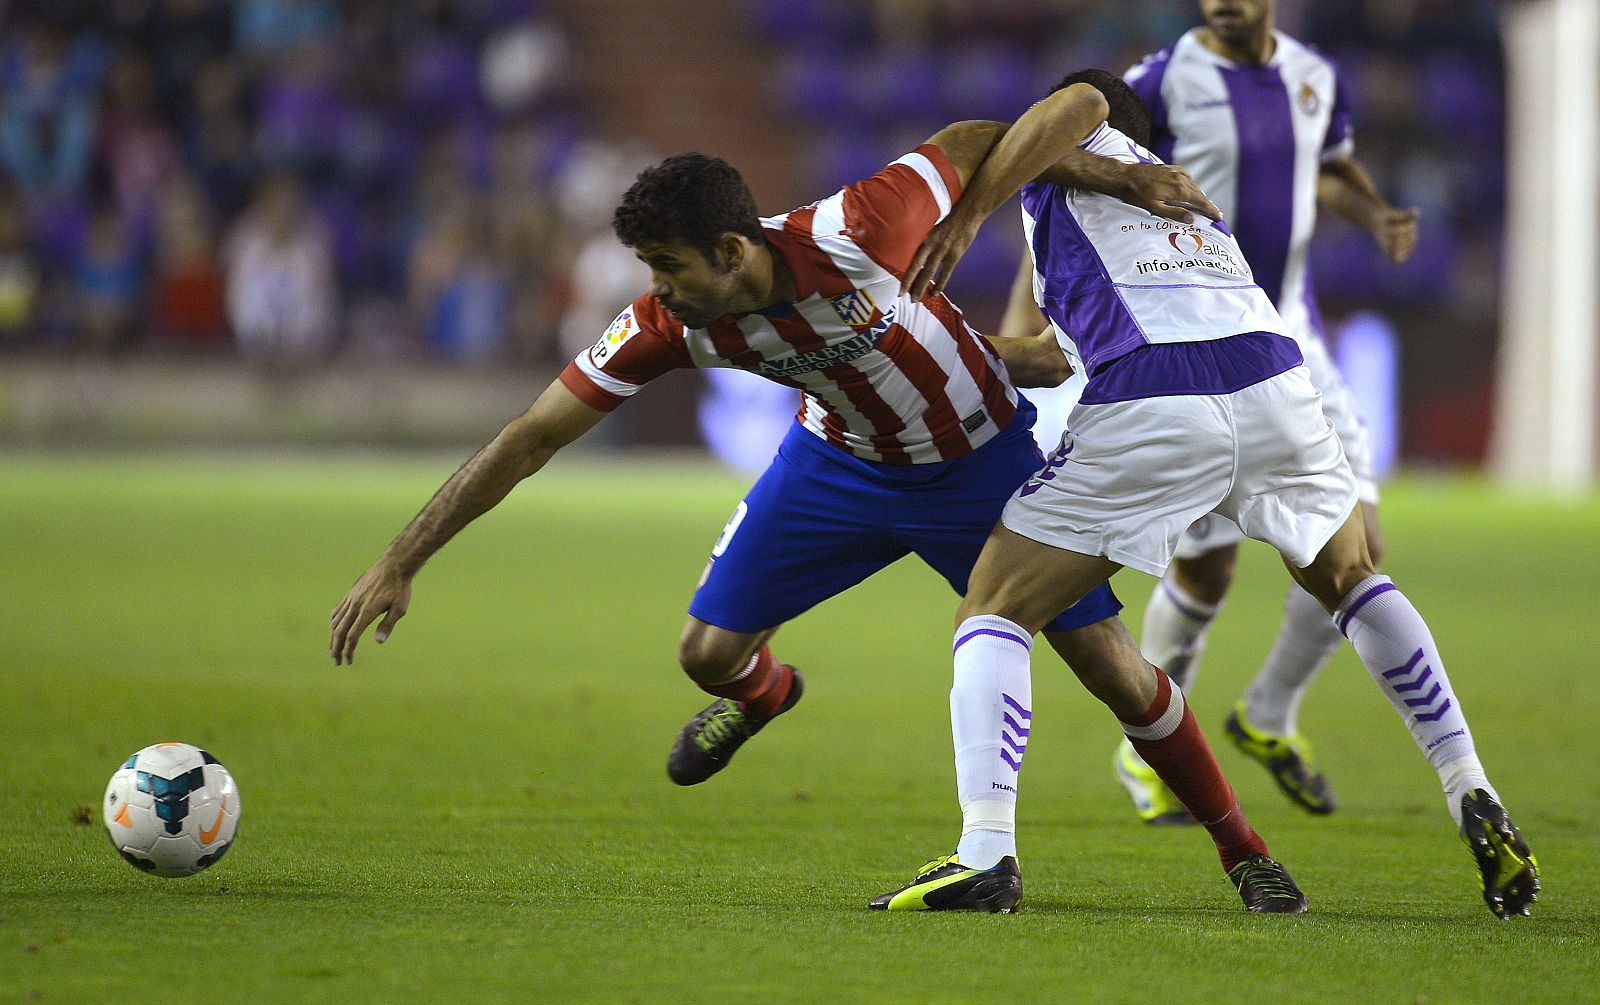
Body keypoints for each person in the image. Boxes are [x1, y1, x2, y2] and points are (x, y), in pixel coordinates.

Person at [329, 122, 1302, 915]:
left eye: (669, 265)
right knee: (704, 654)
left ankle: (1242, 851)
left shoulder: (858, 227)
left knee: (1113, 671)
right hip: (835, 465)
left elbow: (970, 141)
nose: (658, 287)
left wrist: (1109, 178)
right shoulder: (671, 324)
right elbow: (529, 436)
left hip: (978, 463)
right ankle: (764, 694)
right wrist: (400, 557)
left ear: (732, 249)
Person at [886, 68, 1536, 920]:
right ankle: (1468, 782)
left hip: (1160, 393)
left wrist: (966, 218)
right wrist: (917, 340)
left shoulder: (1085, 130)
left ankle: (985, 852)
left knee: (996, 606)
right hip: (1274, 386)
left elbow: (1077, 104)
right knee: (1352, 577)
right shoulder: (1181, 204)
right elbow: (1046, 358)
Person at [1085, 0, 1475, 835]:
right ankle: (1144, 743)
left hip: (1294, 334)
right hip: (1203, 336)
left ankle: (1267, 712)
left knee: (1362, 545)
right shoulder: (1161, 82)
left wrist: (1373, 212)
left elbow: (1324, 167)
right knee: (1206, 573)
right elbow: (1104, 176)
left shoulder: (1312, 77)